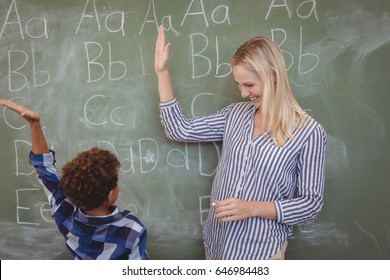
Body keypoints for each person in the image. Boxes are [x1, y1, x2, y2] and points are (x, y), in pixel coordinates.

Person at [154, 26, 327, 260]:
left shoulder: (309, 133)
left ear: (273, 75)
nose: (244, 93)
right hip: (217, 246)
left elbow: (310, 205)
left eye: (250, 85)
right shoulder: (234, 115)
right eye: (239, 85)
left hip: (261, 253)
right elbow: (179, 129)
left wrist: (251, 208)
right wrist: (162, 73)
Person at [0, 99, 148, 260]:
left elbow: (44, 168)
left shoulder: (64, 211)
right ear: (111, 194)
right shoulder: (132, 230)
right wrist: (35, 123)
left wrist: (34, 125)